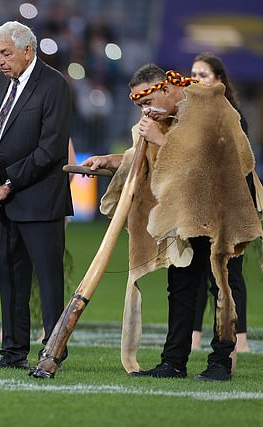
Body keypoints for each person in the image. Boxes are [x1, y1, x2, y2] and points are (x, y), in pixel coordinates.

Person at [82, 64, 260, 381]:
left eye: (145, 103)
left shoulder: (210, 103)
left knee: (222, 285)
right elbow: (145, 156)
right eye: (138, 106)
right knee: (180, 286)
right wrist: (108, 161)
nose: (144, 112)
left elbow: (219, 158)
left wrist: (161, 142)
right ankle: (173, 362)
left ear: (164, 89)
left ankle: (220, 363)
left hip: (224, 208)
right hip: (187, 210)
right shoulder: (165, 117)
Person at [0, 21, 73, 369]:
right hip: (5, 202)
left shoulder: (54, 85)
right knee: (11, 278)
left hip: (40, 200)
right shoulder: (0, 81)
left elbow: (50, 150)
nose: (0, 60)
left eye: (6, 53)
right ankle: (12, 352)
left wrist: (8, 184)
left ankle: (53, 353)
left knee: (49, 283)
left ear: (28, 50)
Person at [190, 52, 252, 354]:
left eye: (202, 74)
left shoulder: (231, 115)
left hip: (230, 205)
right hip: (199, 204)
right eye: (193, 74)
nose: (195, 79)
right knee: (197, 270)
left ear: (218, 79)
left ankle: (239, 339)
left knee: (229, 271)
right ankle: (193, 336)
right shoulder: (189, 113)